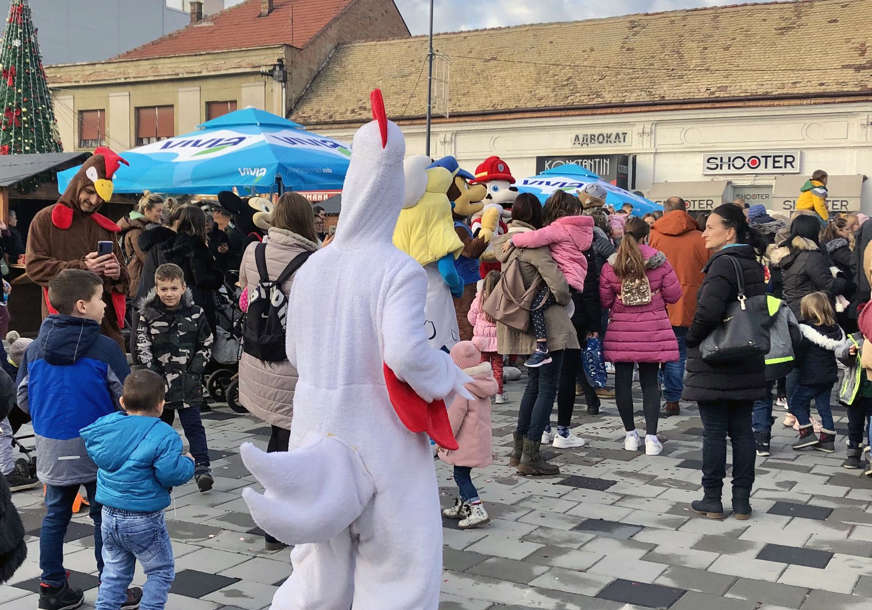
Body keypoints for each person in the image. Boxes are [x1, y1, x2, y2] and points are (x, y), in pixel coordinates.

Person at [238, 101, 471, 609]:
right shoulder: (397, 270)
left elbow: (296, 350)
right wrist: (447, 375)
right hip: (380, 434)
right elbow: (409, 355)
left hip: (316, 424)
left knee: (319, 562)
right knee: (397, 563)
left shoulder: (316, 265)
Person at [16, 269, 140, 610]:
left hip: (52, 445)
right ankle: (113, 587)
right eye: (101, 299)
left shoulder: (35, 349)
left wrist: (50, 417)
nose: (105, 306)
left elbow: (23, 398)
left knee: (55, 515)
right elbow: (126, 398)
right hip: (100, 446)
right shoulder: (105, 348)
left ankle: (51, 587)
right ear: (83, 305)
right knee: (105, 516)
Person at [237, 192, 319, 549]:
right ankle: (278, 522)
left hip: (258, 358)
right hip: (294, 363)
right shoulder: (313, 262)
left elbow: (243, 294)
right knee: (289, 442)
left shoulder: (252, 252)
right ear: (306, 221)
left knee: (279, 436)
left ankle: (277, 514)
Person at [81, 369, 195, 610]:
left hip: (109, 515)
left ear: (122, 401)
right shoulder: (163, 433)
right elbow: (170, 473)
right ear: (161, 405)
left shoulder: (106, 428)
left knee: (114, 573)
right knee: (160, 571)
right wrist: (189, 463)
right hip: (143, 518)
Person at [684, 204, 767, 521]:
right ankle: (743, 503)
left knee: (715, 432)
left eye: (710, 226)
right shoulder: (751, 263)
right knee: (743, 432)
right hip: (746, 356)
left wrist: (692, 339)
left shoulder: (721, 265)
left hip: (717, 358)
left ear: (729, 231)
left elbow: (707, 312)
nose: (704, 232)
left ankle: (712, 499)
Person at [495, 193, 578, 475]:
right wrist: (564, 298)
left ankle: (518, 450)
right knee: (547, 388)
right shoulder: (538, 248)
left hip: (523, 324)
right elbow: (560, 288)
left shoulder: (504, 246)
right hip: (549, 326)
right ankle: (531, 456)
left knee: (533, 386)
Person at [25, 149, 129, 346]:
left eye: (99, 196)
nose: (94, 201)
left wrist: (117, 273)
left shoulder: (104, 226)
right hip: (63, 326)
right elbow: (35, 267)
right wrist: (83, 267)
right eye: (89, 192)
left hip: (103, 329)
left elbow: (125, 282)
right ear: (77, 184)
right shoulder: (45, 220)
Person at [600, 216, 682, 456]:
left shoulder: (612, 264)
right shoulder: (660, 262)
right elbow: (674, 294)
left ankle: (629, 435)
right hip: (653, 329)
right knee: (650, 383)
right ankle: (652, 438)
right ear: (645, 236)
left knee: (623, 383)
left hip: (621, 330)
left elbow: (604, 299)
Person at [136, 263, 214, 493]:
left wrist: (195, 369)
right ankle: (161, 469)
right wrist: (153, 375)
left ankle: (202, 467)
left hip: (188, 382)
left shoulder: (195, 313)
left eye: (173, 288)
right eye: (164, 289)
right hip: (159, 386)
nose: (169, 294)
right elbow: (142, 346)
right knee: (159, 428)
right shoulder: (148, 315)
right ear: (156, 289)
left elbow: (206, 342)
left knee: (194, 426)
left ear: (183, 288)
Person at [509, 191, 592, 368]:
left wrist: (514, 240)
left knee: (536, 307)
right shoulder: (578, 230)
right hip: (575, 279)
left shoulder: (558, 228)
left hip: (565, 278)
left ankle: (541, 348)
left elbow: (535, 238)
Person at [650, 196, 709, 417]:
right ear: (686, 210)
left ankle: (655, 391)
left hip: (657, 301)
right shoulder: (699, 238)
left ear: (664, 211)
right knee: (678, 351)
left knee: (656, 351)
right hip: (688, 302)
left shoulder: (653, 235)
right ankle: (673, 398)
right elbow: (709, 270)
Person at [438, 341, 498, 529]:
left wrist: (444, 440)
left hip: (464, 441)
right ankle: (463, 505)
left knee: (460, 476)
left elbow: (454, 419)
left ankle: (476, 507)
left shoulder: (461, 389)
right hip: (477, 439)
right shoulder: (483, 382)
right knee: (463, 473)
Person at [137, 205, 224, 332]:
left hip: (172, 303)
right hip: (196, 303)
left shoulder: (167, 244)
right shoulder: (196, 245)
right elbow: (202, 278)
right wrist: (218, 275)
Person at [791, 292, 845, 452]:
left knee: (795, 403)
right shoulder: (835, 329)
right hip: (828, 376)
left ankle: (807, 433)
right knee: (824, 407)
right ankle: (828, 441)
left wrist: (794, 365)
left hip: (810, 376)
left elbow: (799, 354)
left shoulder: (805, 331)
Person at [771, 214, 847, 320]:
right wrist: (843, 279)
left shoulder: (782, 253)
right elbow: (829, 285)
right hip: (811, 311)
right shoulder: (811, 256)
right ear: (814, 232)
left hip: (787, 311)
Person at [468, 271, 505, 403]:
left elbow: (471, 317)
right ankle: (499, 394)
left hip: (481, 341)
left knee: (482, 368)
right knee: (498, 367)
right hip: (497, 341)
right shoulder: (502, 299)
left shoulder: (478, 299)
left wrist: (477, 326)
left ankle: (483, 393)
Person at [119, 191, 164, 298]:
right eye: (158, 211)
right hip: (138, 279)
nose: (161, 214)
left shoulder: (140, 227)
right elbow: (146, 258)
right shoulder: (137, 231)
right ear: (146, 210)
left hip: (137, 276)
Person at [210, 206, 246, 277]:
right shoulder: (228, 228)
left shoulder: (234, 230)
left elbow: (238, 249)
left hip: (235, 270)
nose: (212, 214)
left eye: (213, 211)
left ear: (219, 213)